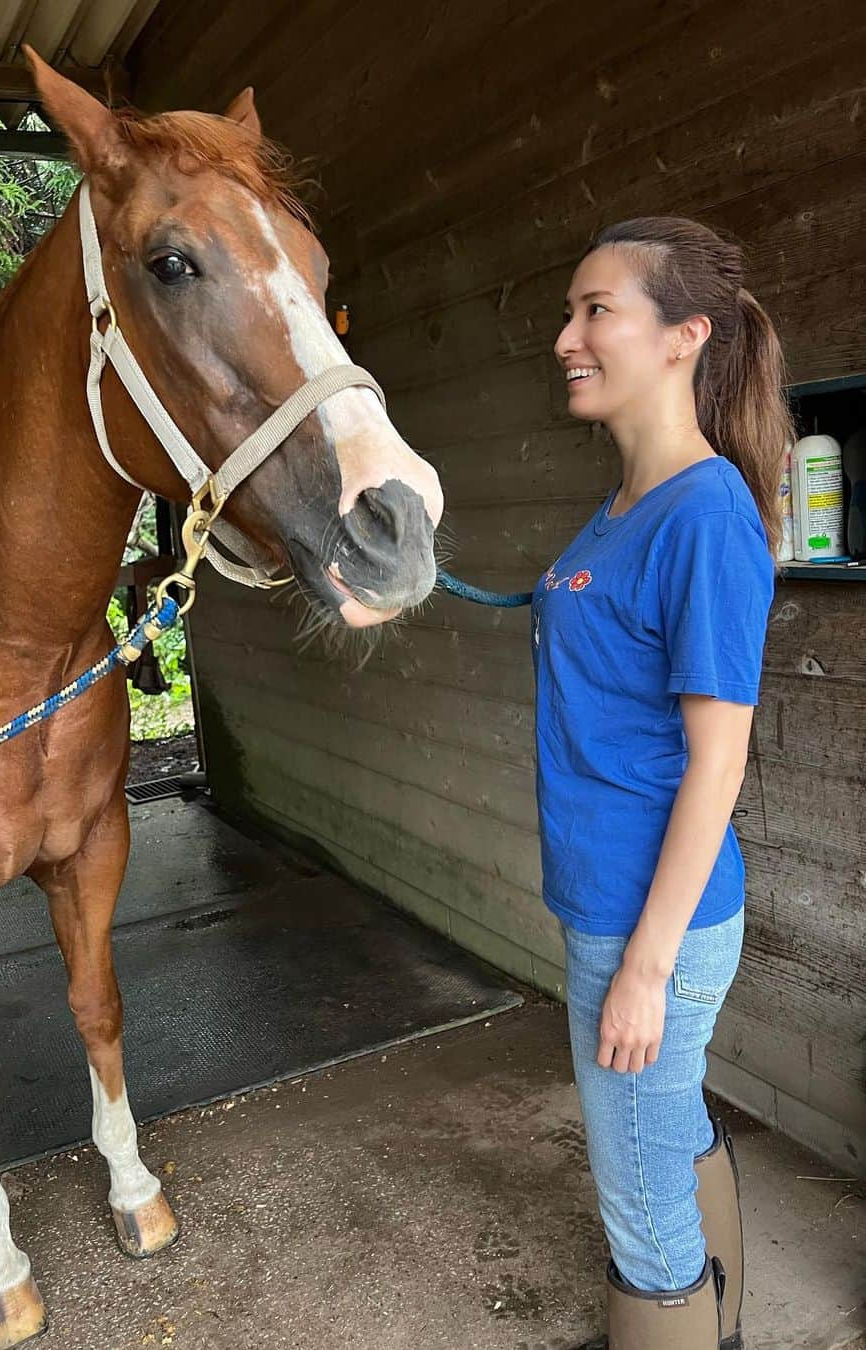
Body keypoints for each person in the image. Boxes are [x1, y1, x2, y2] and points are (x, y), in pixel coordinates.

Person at [531, 217, 791, 1349]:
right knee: (662, 1127)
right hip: (616, 904)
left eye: (597, 311)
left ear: (684, 337)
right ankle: (716, 1313)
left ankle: (683, 1321)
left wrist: (644, 968)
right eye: (571, 312)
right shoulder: (627, 508)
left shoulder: (706, 512)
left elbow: (718, 760)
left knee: (638, 1196)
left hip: (654, 921)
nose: (566, 337)